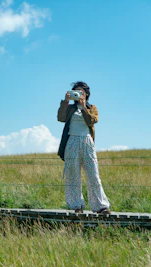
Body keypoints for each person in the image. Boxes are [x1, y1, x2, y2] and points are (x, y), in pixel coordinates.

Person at [57, 81, 111, 214]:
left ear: (86, 94)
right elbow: (61, 117)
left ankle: (101, 206)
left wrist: (83, 108)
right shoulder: (70, 108)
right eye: (76, 92)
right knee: (72, 175)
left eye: (81, 92)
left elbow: (92, 120)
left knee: (93, 174)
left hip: (87, 141)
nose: (79, 95)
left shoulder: (92, 108)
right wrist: (65, 101)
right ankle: (76, 206)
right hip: (72, 141)